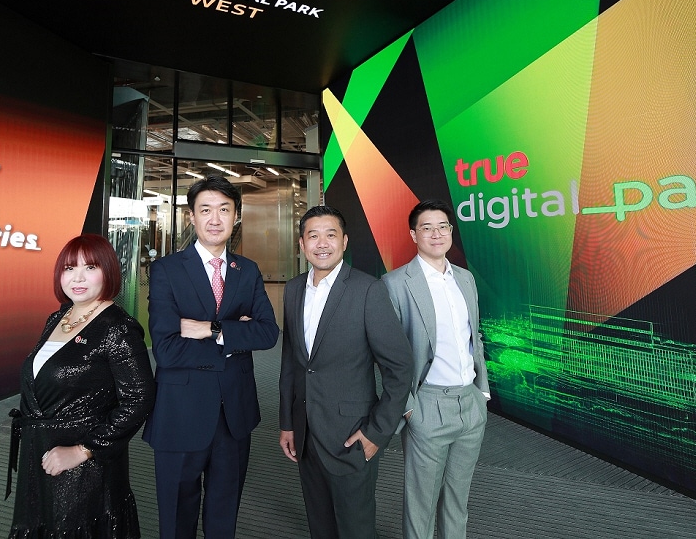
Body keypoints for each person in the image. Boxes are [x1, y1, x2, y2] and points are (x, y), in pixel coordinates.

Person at [142, 175, 280, 539]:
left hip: (234, 413)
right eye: (206, 210)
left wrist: (211, 329)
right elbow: (167, 348)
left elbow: (268, 333)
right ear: (192, 217)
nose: (215, 218)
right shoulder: (166, 270)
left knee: (224, 515)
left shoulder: (246, 270)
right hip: (180, 412)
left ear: (236, 217)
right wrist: (236, 334)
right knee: (175, 516)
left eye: (224, 210)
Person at [8, 233, 156, 538]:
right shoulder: (59, 317)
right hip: (40, 452)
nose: (77, 277)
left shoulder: (118, 329)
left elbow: (139, 399)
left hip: (84, 467)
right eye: (68, 268)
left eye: (90, 268)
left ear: (109, 271)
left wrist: (83, 450)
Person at [278, 205, 413, 539]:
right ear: (301, 244)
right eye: (313, 235)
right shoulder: (294, 289)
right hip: (306, 432)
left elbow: (399, 366)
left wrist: (377, 432)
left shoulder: (368, 290)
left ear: (345, 241)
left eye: (331, 235)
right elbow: (292, 363)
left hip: (352, 436)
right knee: (319, 523)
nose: (322, 243)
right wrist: (287, 423)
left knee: (355, 527)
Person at [382, 199, 491, 539]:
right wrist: (409, 406)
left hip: (470, 405)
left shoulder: (466, 278)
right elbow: (387, 354)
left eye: (443, 226)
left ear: (451, 232)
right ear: (414, 234)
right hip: (427, 405)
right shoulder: (396, 283)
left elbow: (475, 337)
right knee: (422, 502)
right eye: (426, 228)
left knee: (458, 499)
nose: (436, 234)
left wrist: (482, 391)